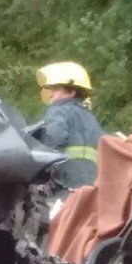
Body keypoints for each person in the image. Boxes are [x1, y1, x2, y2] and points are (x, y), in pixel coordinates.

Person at [35, 61, 104, 192]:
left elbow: (54, 137)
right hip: (91, 183)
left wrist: (39, 168)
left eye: (55, 90)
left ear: (71, 92)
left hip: (64, 181)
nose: (50, 95)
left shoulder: (59, 110)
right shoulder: (90, 117)